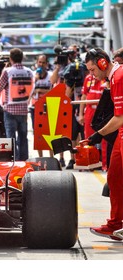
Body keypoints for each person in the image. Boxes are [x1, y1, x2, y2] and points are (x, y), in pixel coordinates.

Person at [84, 48, 123, 240]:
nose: (92, 75)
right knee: (114, 178)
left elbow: (119, 118)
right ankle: (115, 224)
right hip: (121, 135)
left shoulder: (119, 77)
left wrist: (97, 135)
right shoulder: (114, 78)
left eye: (92, 70)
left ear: (102, 63)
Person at [0, 48, 34, 161]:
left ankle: (14, 159)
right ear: (22, 58)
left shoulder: (8, 71)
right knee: (23, 136)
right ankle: (23, 159)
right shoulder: (29, 72)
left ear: (10, 58)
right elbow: (32, 88)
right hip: (23, 109)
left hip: (9, 110)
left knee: (11, 138)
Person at [62, 44, 87, 169]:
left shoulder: (87, 80)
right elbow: (67, 95)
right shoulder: (69, 78)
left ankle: (83, 158)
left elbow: (86, 93)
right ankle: (72, 159)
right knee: (72, 135)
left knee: (83, 135)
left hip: (83, 109)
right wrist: (71, 85)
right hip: (72, 109)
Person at [28, 54, 53, 157]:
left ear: (47, 64)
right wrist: (35, 81)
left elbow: (53, 91)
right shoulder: (32, 75)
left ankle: (51, 156)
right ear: (36, 63)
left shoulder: (51, 75)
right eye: (39, 62)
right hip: (35, 107)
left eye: (43, 63)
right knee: (37, 133)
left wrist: (41, 90)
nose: (41, 65)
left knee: (49, 132)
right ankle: (40, 157)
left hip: (48, 106)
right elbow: (28, 91)